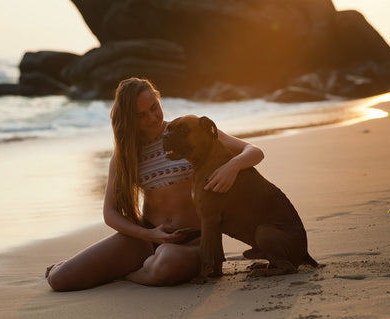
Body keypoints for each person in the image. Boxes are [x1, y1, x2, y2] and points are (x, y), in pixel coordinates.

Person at [45, 77, 264, 291]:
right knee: (60, 280)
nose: (152, 118)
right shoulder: (126, 155)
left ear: (159, 99)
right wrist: (150, 235)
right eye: (141, 115)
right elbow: (110, 213)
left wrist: (232, 167)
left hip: (195, 242)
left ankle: (128, 274)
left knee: (165, 264)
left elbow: (253, 151)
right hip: (145, 238)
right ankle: (137, 266)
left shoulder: (190, 131)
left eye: (154, 107)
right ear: (129, 119)